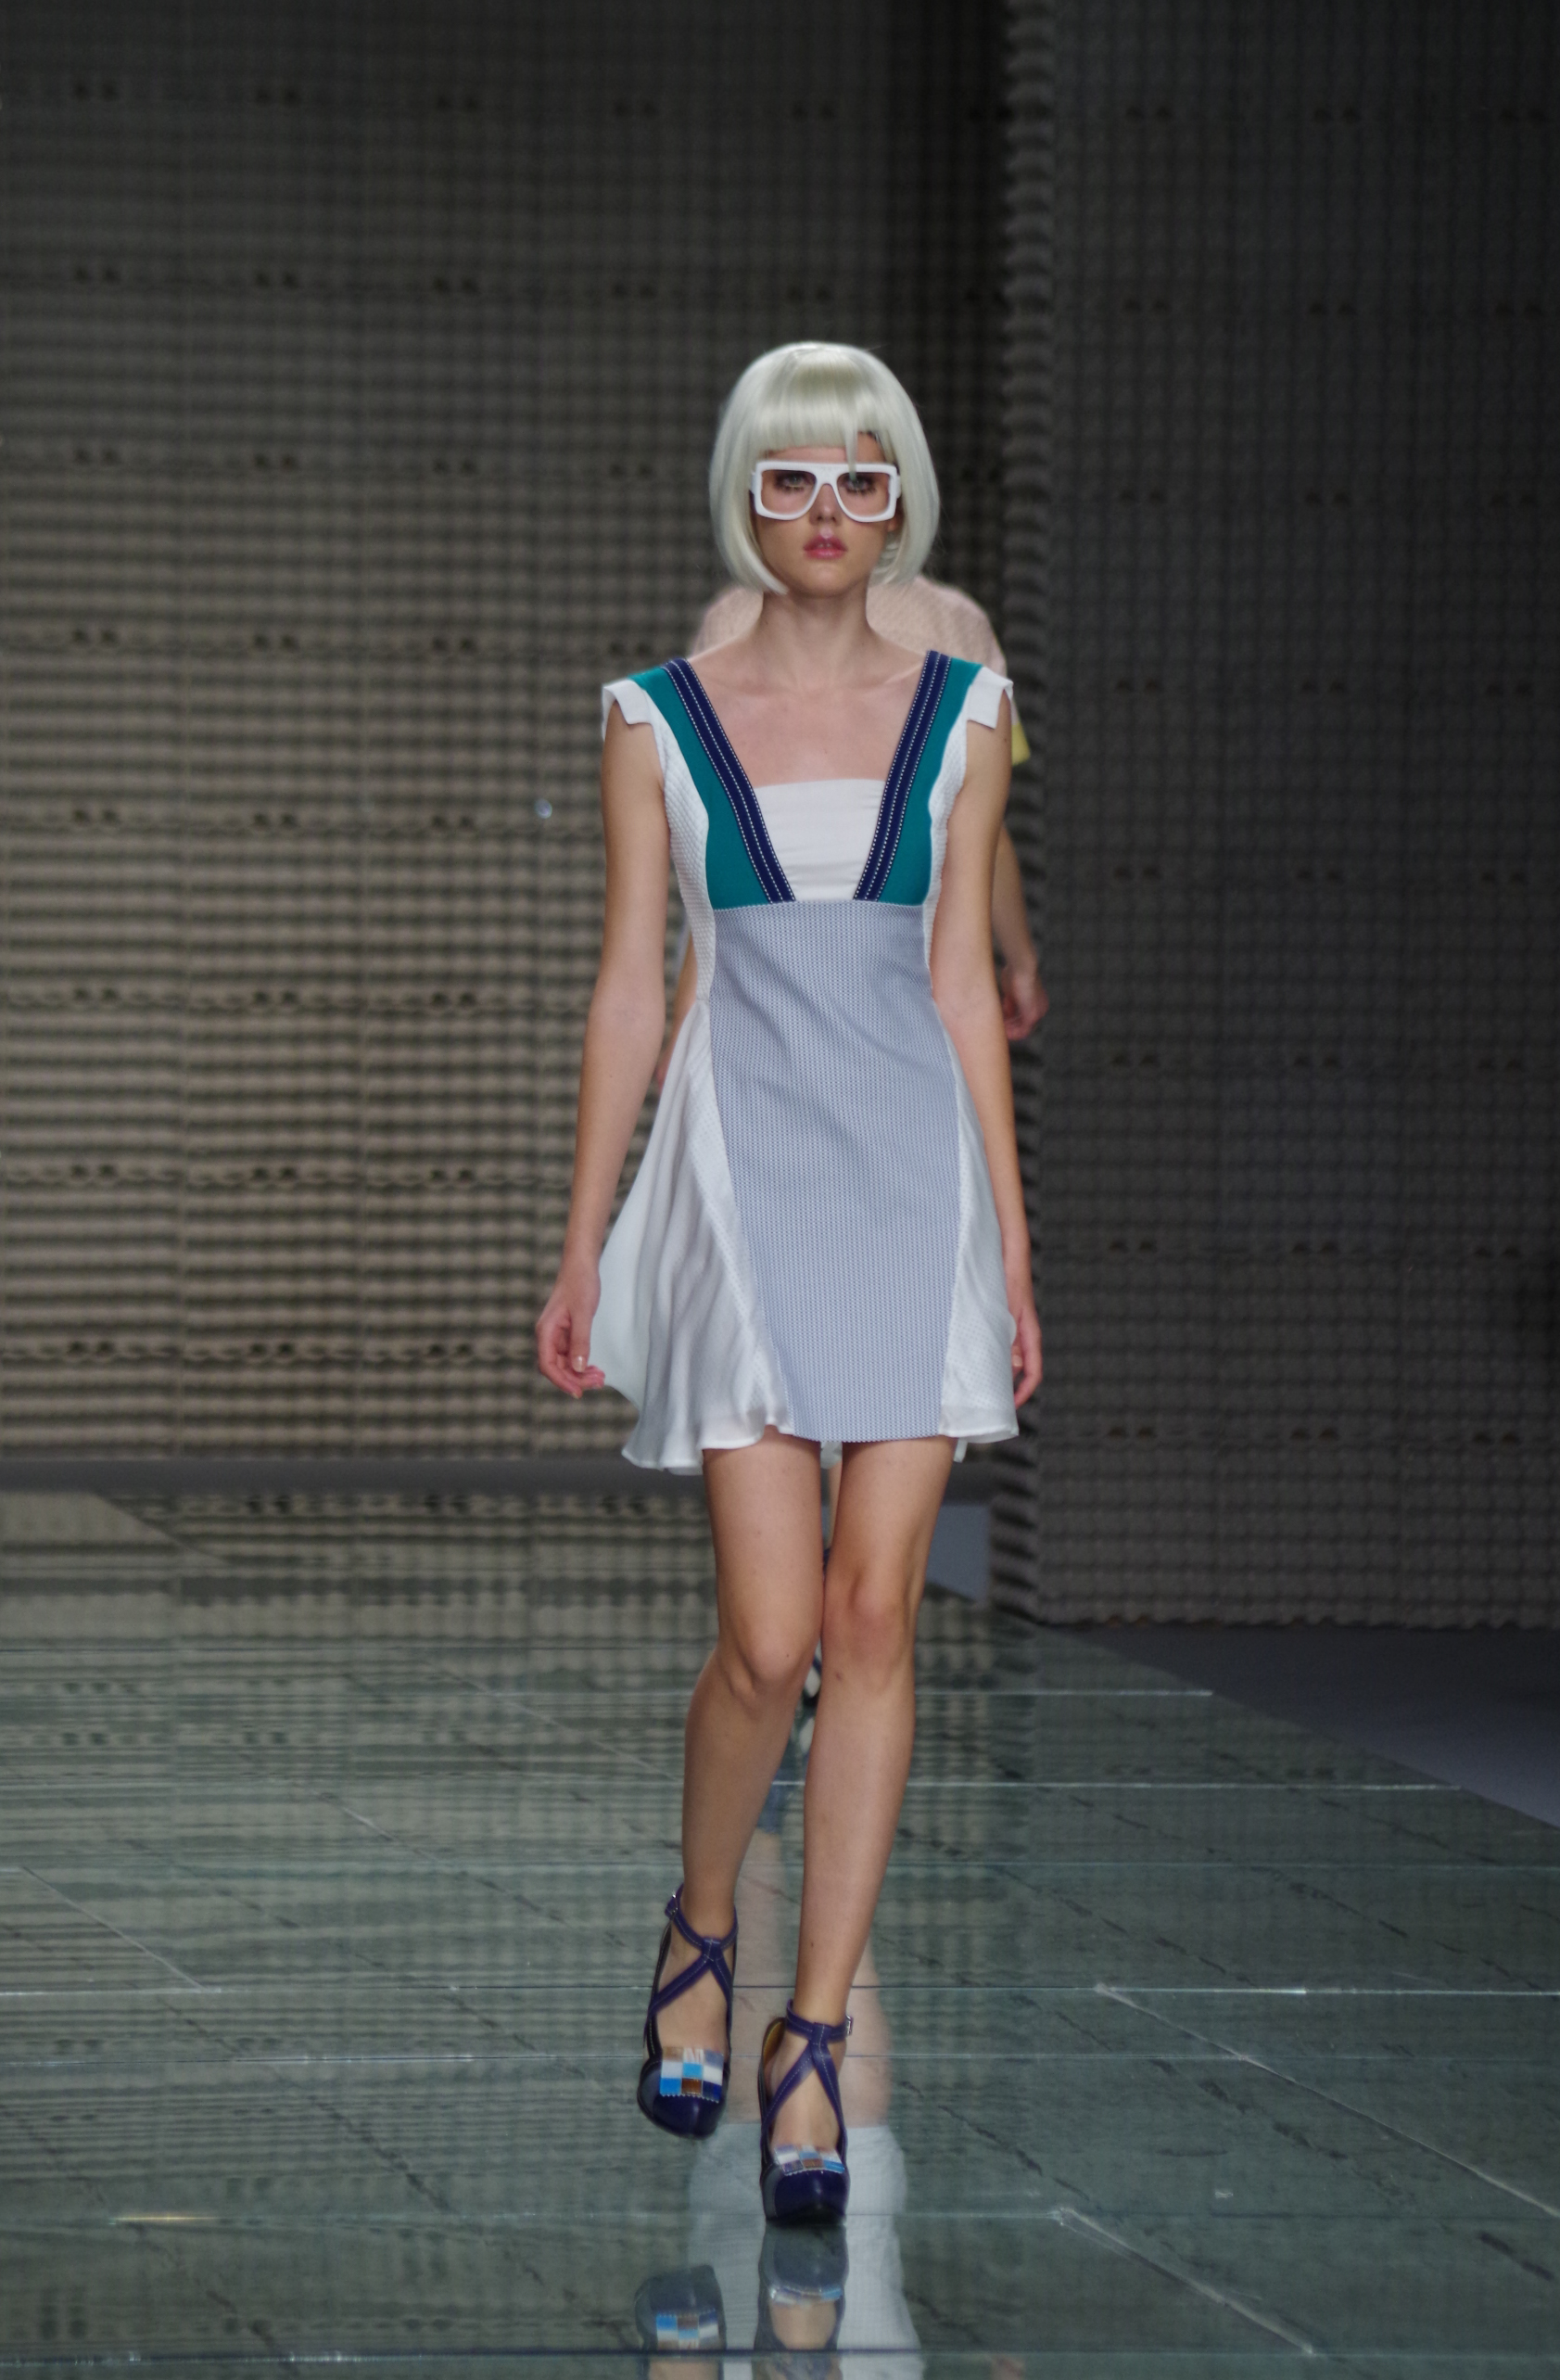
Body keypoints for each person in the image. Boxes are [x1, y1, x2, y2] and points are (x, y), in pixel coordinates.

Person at [536, 341, 1042, 2227]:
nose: (824, 513)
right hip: (738, 1179)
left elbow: (958, 990)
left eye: (857, 481)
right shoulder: (654, 717)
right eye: (788, 481)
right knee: (767, 1641)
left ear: (898, 500)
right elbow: (630, 986)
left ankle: (807, 2042)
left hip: (912, 1188)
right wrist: (585, 1235)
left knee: (872, 1617)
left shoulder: (967, 711)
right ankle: (701, 1921)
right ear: (741, 496)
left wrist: (1010, 1245)